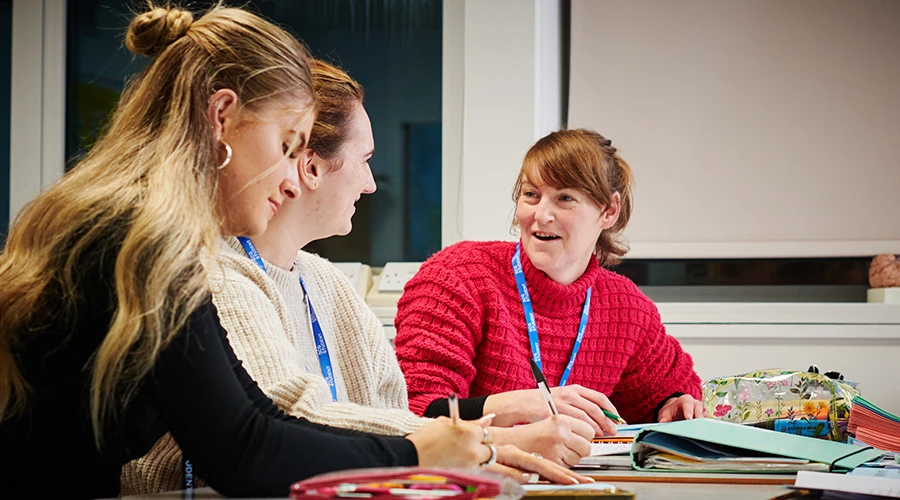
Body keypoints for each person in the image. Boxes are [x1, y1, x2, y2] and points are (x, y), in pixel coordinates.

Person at [0, 5, 534, 498]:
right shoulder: (140, 239)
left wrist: (430, 443)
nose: (291, 176)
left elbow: (251, 419)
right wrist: (417, 450)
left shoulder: (129, 221)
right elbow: (244, 449)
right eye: (285, 146)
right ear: (222, 117)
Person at [122, 59, 590, 493]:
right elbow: (287, 421)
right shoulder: (214, 272)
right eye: (365, 159)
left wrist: (478, 427)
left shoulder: (326, 283)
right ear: (310, 168)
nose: (371, 183)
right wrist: (479, 436)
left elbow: (387, 414)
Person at [394, 129, 705, 431]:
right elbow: (414, 409)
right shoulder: (458, 275)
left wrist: (674, 404)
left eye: (565, 198)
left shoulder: (626, 307)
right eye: (531, 194)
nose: (541, 215)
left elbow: (673, 392)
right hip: (482, 477)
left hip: (582, 480)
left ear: (609, 211)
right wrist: (518, 406)